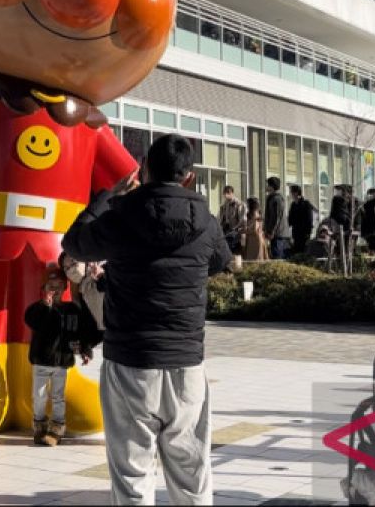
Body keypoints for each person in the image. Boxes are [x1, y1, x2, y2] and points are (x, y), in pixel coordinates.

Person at [62, 133, 231, 505]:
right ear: (188, 177)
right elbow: (220, 261)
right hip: (187, 362)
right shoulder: (207, 220)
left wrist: (107, 197)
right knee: (192, 473)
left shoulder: (122, 215)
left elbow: (73, 243)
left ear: (144, 169)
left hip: (131, 362)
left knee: (133, 473)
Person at [24, 266, 98, 447]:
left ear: (65, 287)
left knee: (58, 396)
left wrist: (84, 350)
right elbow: (31, 320)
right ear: (44, 288)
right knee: (39, 395)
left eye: (59, 285)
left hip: (61, 362)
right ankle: (39, 425)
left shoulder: (72, 310)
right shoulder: (38, 309)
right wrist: (45, 306)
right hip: (41, 361)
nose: (55, 290)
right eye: (51, 286)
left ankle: (57, 428)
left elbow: (78, 333)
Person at [59, 250, 105, 336]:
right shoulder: (82, 291)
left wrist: (101, 277)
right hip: (111, 334)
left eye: (73, 263)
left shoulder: (103, 268)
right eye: (67, 268)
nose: (71, 270)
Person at [263, 176, 291, 260]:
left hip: (278, 234)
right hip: (275, 233)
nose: (266, 187)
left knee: (278, 256)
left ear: (272, 186)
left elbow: (276, 217)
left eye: (268, 185)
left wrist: (272, 231)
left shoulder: (277, 199)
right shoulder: (271, 198)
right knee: (274, 255)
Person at [217, 186, 247, 257]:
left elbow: (243, 219)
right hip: (226, 230)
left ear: (232, 193)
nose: (226, 195)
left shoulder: (239, 204)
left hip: (235, 231)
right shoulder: (224, 205)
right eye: (225, 193)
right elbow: (221, 217)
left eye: (228, 193)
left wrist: (236, 229)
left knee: (235, 251)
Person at [288, 185, 316, 255]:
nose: (291, 194)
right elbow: (290, 219)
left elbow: (309, 219)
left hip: (304, 234)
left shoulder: (306, 204)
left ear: (296, 193)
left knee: (304, 252)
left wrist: (308, 233)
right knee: (296, 252)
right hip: (296, 233)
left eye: (291, 192)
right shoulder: (293, 205)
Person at [241, 197, 269, 262]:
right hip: (254, 239)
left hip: (255, 240)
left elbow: (254, 229)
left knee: (254, 260)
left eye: (247, 204)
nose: (246, 205)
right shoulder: (255, 213)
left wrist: (242, 231)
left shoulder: (255, 214)